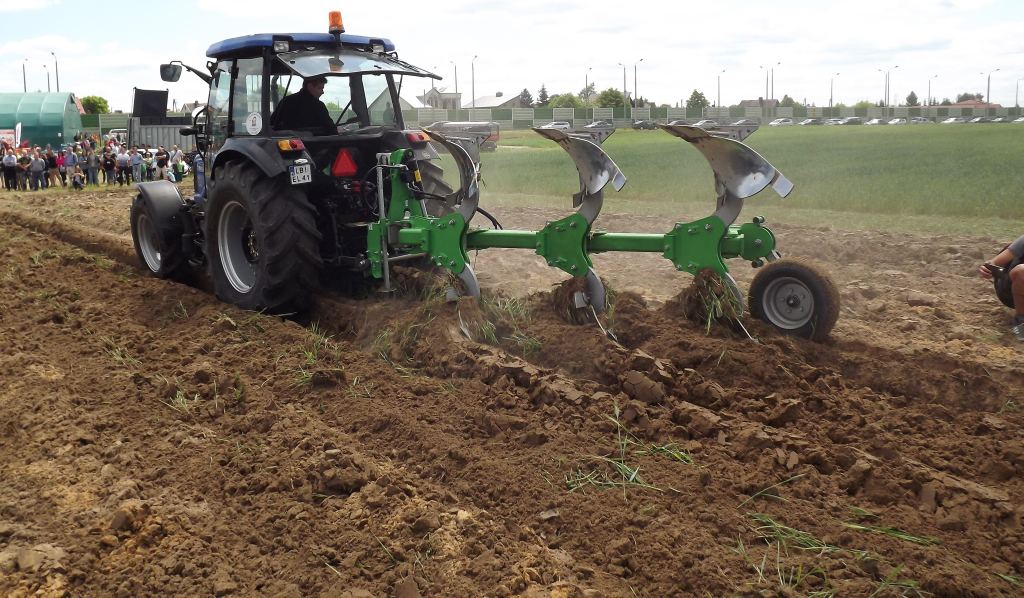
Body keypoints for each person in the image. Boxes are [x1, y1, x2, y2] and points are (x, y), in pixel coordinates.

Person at [980, 235, 1024, 341]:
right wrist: (987, 268)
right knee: (1021, 271)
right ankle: (1021, 321)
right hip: (1010, 289)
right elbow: (994, 263)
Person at [269, 76, 337, 132]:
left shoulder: (286, 101)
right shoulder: (318, 106)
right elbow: (331, 130)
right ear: (310, 86)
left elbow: (272, 124)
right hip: (315, 146)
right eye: (320, 88)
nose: (322, 92)